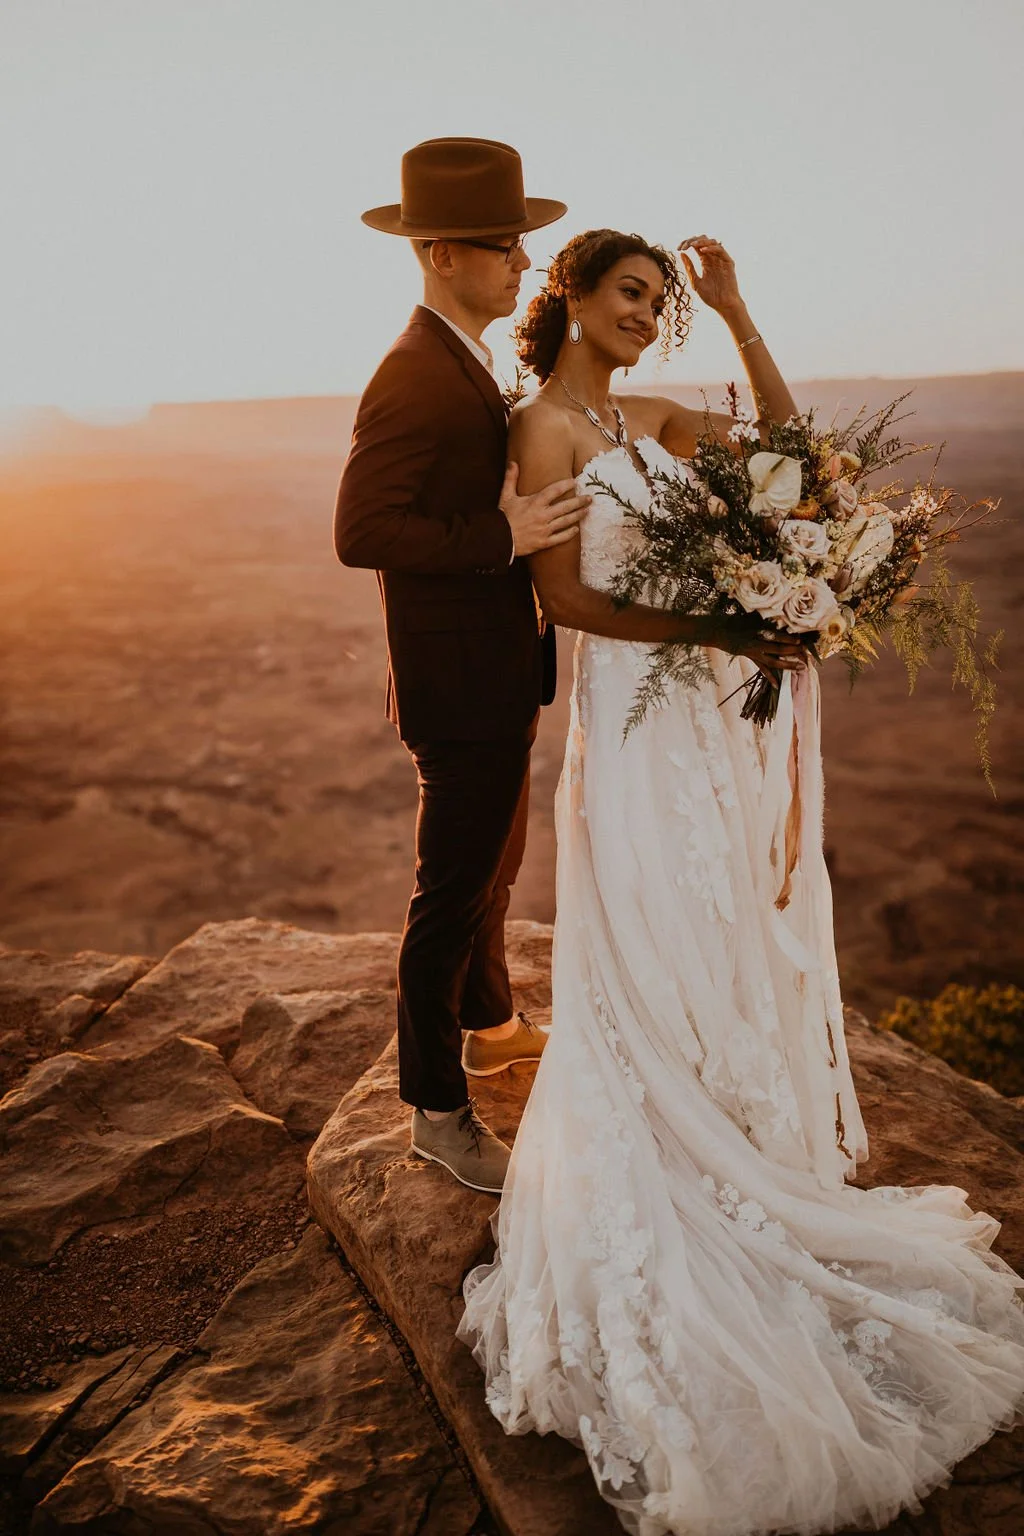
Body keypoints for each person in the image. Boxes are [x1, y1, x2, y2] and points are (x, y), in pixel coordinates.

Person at [457, 228, 1024, 1535]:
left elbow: (795, 463)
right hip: (634, 718)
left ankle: (737, 1129)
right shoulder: (543, 430)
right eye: (632, 292)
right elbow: (570, 602)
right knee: (649, 933)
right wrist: (726, 620)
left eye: (661, 298)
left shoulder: (652, 411)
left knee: (716, 935)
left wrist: (744, 313)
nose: (650, 312)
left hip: (711, 724)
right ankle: (664, 1159)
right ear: (573, 298)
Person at [334, 138, 593, 1195]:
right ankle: (436, 1113)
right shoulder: (411, 373)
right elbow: (361, 528)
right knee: (448, 893)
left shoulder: (459, 358)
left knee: (491, 869)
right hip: (459, 685)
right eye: (503, 247)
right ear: (442, 253)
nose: (523, 264)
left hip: (494, 669)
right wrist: (506, 536)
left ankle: (487, 1026)